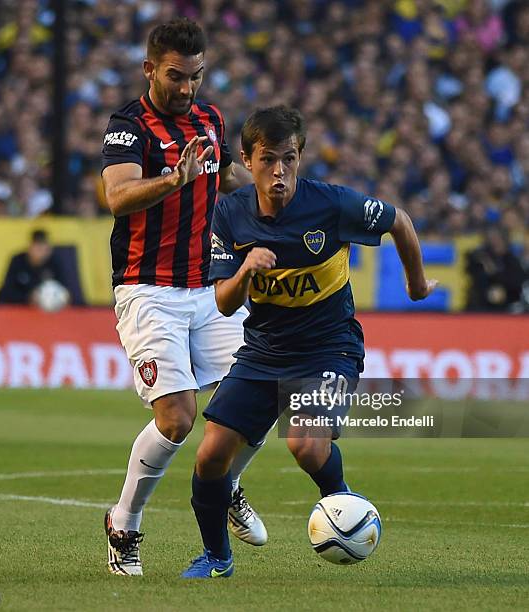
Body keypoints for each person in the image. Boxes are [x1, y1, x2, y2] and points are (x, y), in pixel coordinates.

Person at [181, 106, 438, 578]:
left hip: (329, 347)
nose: (279, 172)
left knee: (304, 443)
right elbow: (221, 301)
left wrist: (416, 283)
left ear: (301, 157)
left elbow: (399, 219)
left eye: (290, 159)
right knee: (211, 454)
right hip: (263, 350)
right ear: (246, 159)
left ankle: (343, 506)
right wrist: (244, 271)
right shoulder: (230, 214)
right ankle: (216, 557)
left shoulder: (331, 205)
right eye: (267, 160)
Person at [100, 18, 267, 577]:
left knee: (255, 401)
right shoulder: (130, 126)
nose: (187, 88)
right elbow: (118, 195)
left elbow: (228, 176)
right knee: (177, 420)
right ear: (149, 69)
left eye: (196, 77)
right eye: (176, 76)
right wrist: (173, 179)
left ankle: (225, 486)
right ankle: (124, 526)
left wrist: (273, 188)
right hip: (147, 290)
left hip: (207, 289)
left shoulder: (210, 119)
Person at [0, 229, 69, 305]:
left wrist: (62, 297)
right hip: (20, 308)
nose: (41, 251)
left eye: (44, 247)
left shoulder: (55, 262)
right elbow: (5, 292)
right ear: (30, 247)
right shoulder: (18, 261)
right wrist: (28, 297)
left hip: (48, 310)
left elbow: (65, 290)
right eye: (37, 247)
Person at [465, 226, 526, 311]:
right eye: (492, 239)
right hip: (482, 306)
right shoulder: (481, 258)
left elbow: (517, 282)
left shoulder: (512, 260)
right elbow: (475, 277)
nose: (495, 242)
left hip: (508, 305)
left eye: (498, 239)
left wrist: (495, 273)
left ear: (505, 241)